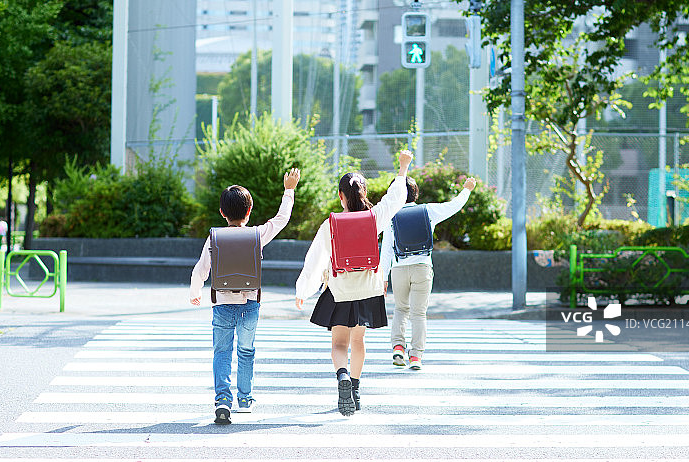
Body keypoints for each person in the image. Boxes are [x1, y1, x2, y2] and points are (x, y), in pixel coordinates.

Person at [295, 150, 413, 416]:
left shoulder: (331, 224)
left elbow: (315, 259)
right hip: (368, 290)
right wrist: (403, 168)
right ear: (364, 193)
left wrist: (303, 289)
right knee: (358, 340)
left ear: (341, 196)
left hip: (340, 290)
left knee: (339, 343)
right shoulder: (375, 218)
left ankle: (342, 377)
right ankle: (356, 390)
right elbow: (395, 199)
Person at [190, 168, 300, 425]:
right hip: (250, 303)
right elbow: (282, 219)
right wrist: (289, 190)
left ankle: (222, 400)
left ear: (222, 212)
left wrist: (195, 292)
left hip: (222, 304)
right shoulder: (256, 235)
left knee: (221, 352)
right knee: (246, 350)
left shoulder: (213, 237)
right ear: (249, 211)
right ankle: (245, 399)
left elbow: (201, 268)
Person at [379, 175, 476, 370]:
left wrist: (382, 277)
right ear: (416, 193)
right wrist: (467, 189)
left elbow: (387, 249)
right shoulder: (428, 210)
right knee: (419, 314)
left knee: (400, 309)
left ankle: (398, 347)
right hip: (422, 267)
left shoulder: (391, 216)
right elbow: (454, 206)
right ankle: (416, 356)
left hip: (398, 269)